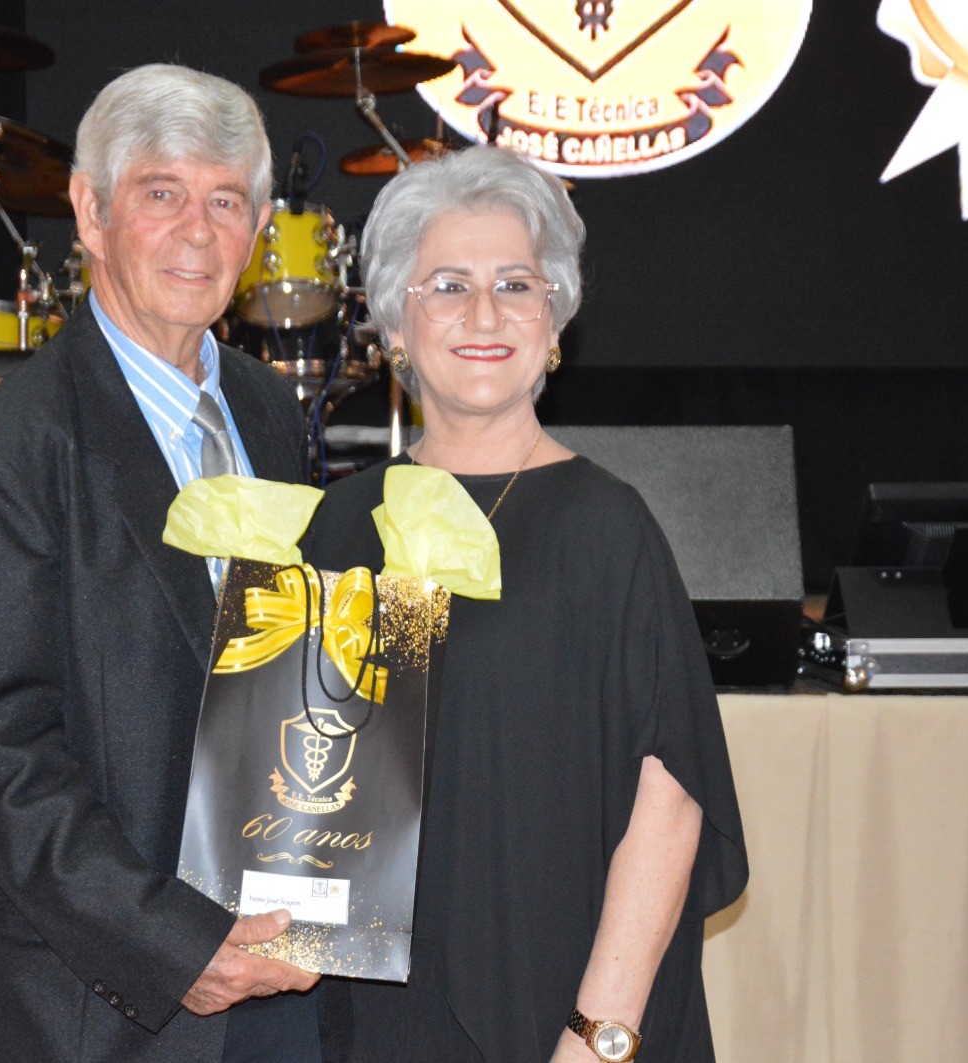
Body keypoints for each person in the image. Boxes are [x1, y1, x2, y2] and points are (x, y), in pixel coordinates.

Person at [303, 147, 748, 1063]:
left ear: (554, 324)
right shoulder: (341, 526)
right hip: (379, 1022)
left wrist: (596, 1038)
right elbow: (302, 786)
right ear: (396, 320)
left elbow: (670, 805)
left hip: (571, 1015)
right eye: (448, 285)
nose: (484, 314)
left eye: (517, 284)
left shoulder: (606, 528)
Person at [0, 64, 323, 1063]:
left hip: (275, 983)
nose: (198, 229)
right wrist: (175, 945)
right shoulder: (1, 454)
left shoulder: (271, 414)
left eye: (225, 200)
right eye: (161, 194)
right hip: (85, 1008)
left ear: (259, 226)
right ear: (90, 215)